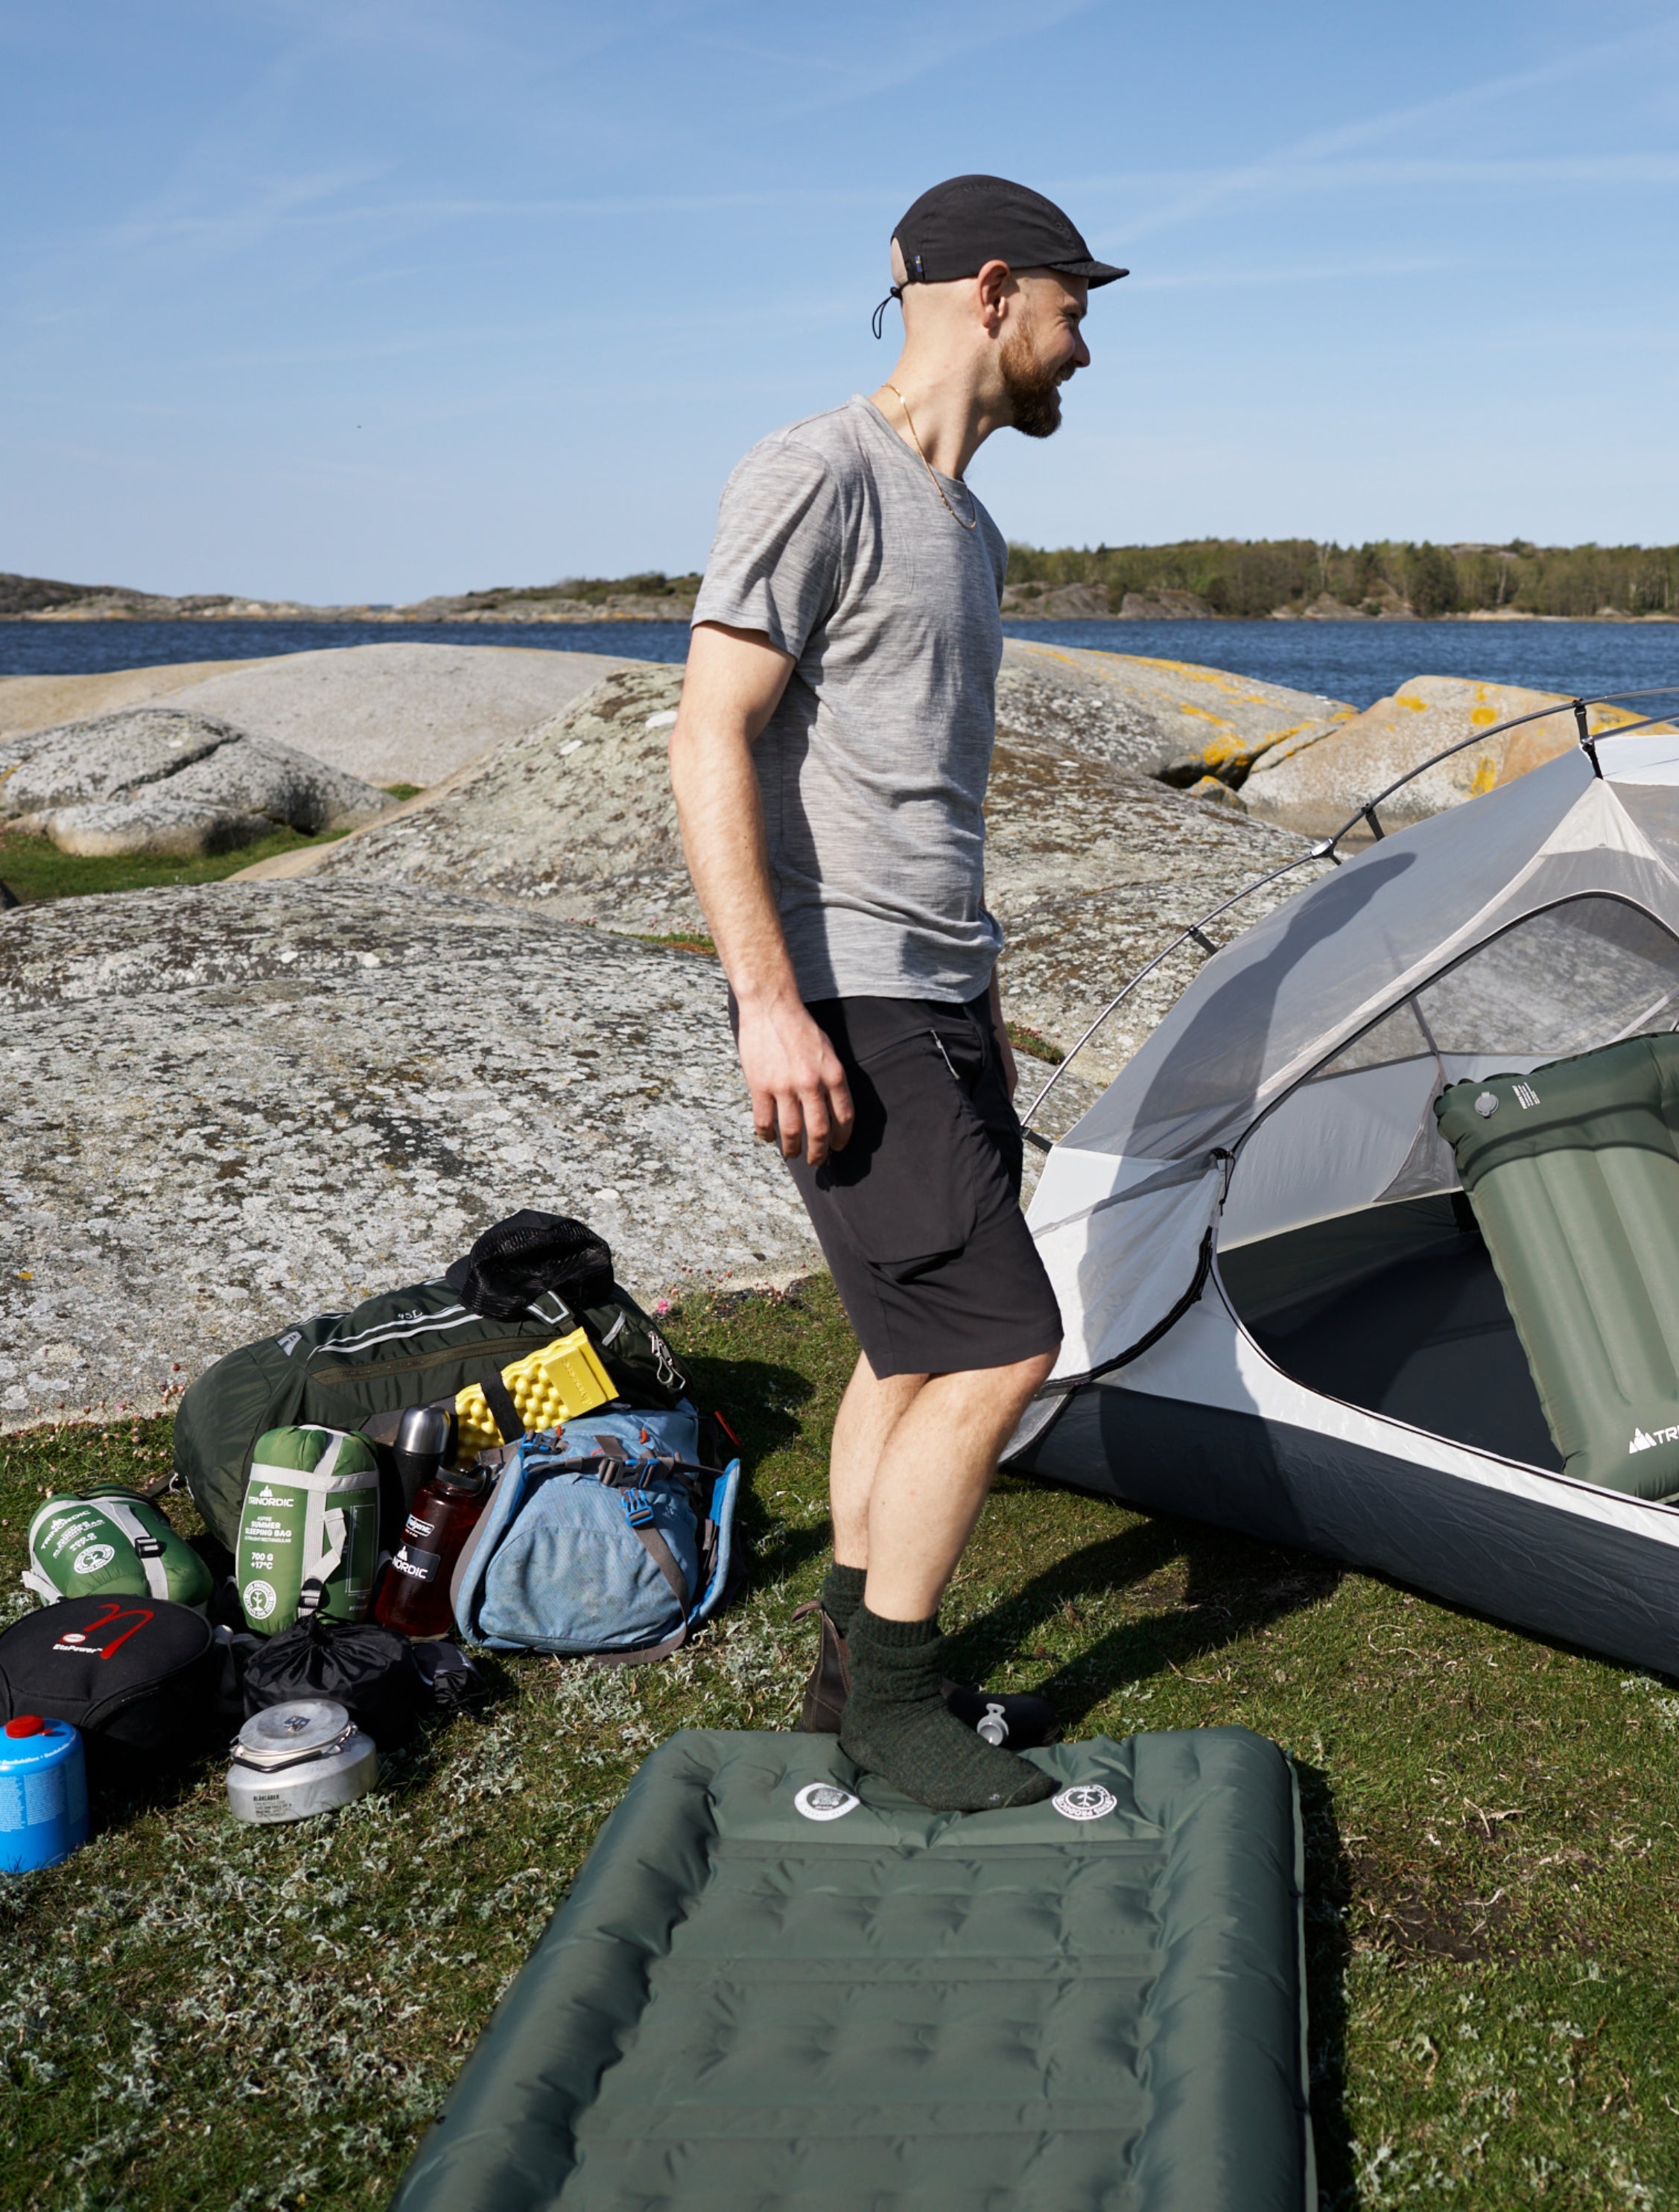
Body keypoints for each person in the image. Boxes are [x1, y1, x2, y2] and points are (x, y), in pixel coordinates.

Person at [668, 177, 1127, 1811]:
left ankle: (853, 1677)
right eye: (1076, 310)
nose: (1085, 349)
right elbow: (710, 730)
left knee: (907, 1351)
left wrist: (977, 999)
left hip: (936, 990)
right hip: (845, 992)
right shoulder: (820, 472)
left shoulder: (971, 528)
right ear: (992, 292)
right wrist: (769, 1004)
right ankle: (902, 1709)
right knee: (1005, 1344)